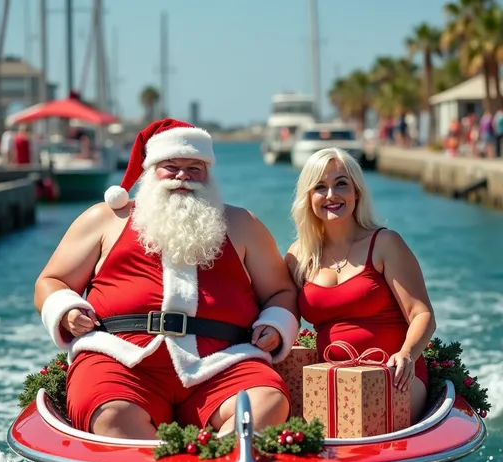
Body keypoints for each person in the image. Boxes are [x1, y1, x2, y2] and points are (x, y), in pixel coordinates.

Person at [35, 118, 299, 439]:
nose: (182, 176)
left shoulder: (243, 225)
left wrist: (273, 324)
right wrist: (68, 310)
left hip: (223, 364)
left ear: (208, 174)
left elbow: (280, 292)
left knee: (264, 404)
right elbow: (52, 281)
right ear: (150, 171)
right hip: (119, 361)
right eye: (171, 166)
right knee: (112, 417)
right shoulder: (105, 220)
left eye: (194, 168)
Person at [285, 148, 436, 423]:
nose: (331, 195)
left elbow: (422, 314)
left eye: (341, 184)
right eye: (320, 187)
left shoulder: (386, 244)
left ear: (357, 192)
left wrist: (406, 355)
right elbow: (279, 313)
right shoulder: (298, 256)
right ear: (308, 197)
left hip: (395, 376)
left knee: (368, 422)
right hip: (332, 381)